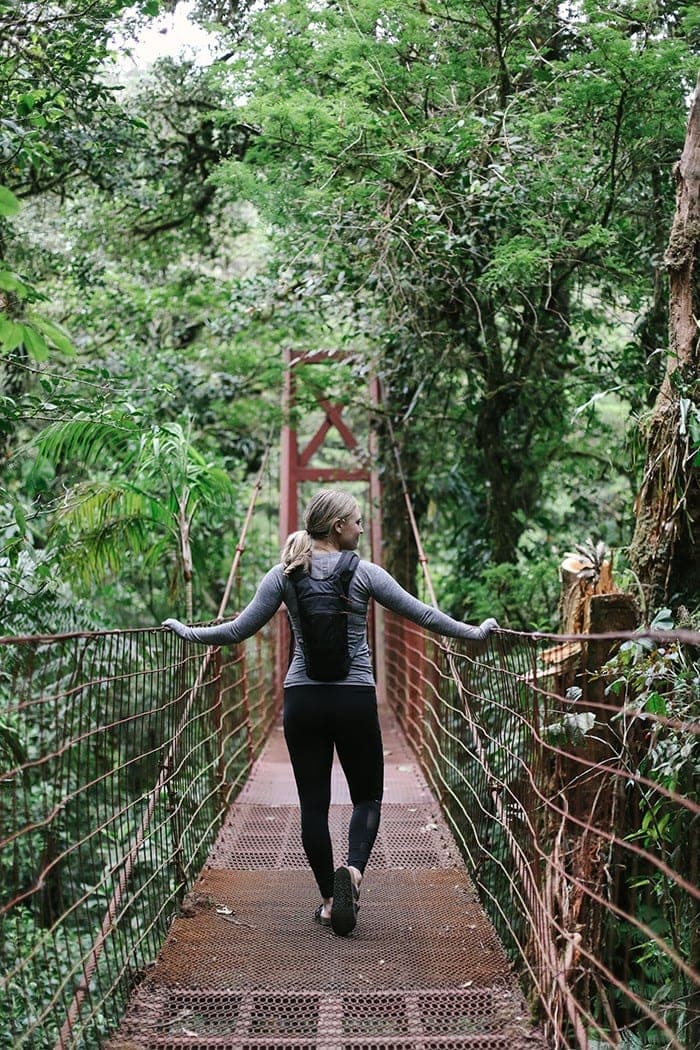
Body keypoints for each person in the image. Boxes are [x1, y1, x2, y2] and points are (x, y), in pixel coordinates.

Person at [162, 488, 498, 937]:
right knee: (366, 797)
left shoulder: (283, 575)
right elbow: (426, 616)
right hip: (354, 699)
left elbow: (238, 630)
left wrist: (187, 632)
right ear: (338, 527)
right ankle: (353, 875)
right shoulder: (365, 573)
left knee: (313, 806)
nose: (361, 527)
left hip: (303, 700)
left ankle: (326, 899)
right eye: (356, 521)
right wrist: (475, 633)